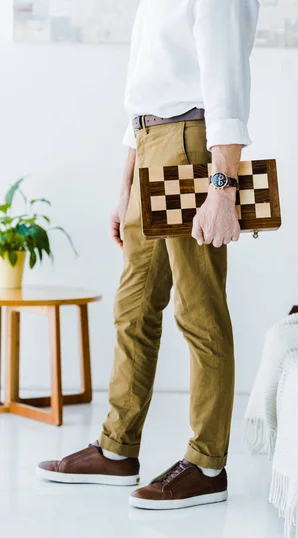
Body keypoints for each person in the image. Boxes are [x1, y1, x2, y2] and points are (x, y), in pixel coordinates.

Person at [37, 0, 260, 510]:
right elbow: (143, 98)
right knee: (134, 307)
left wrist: (222, 190)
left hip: (191, 144)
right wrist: (125, 188)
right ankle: (117, 449)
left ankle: (207, 463)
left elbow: (226, 87)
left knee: (199, 308)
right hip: (150, 142)